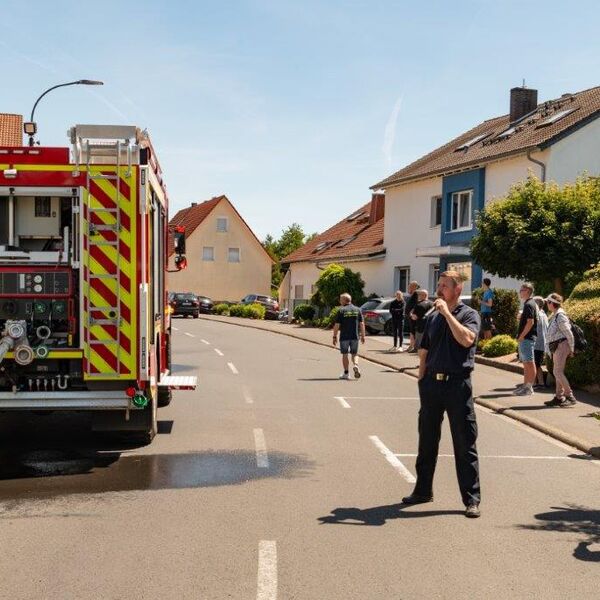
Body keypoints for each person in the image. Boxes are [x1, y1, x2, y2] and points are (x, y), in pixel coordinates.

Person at [402, 271, 482, 518]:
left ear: (457, 289)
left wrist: (447, 313)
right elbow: (424, 348)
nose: (439, 290)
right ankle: (423, 490)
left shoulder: (469, 315)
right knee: (426, 439)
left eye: (444, 286)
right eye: (438, 285)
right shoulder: (434, 316)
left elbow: (467, 340)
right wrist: (421, 377)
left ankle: (471, 499)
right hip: (431, 386)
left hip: (457, 385)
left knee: (464, 442)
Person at [544, 293, 576, 408]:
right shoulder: (556, 315)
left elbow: (569, 334)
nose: (547, 304)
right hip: (557, 347)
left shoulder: (560, 315)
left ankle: (569, 396)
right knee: (558, 372)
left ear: (552, 303)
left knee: (557, 372)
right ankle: (559, 397)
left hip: (562, 346)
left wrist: (571, 349)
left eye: (547, 302)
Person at [332, 293, 366, 380]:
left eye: (340, 299)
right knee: (354, 354)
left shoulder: (341, 310)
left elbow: (337, 325)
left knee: (345, 354)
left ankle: (346, 373)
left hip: (344, 337)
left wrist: (334, 336)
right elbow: (362, 324)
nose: (340, 301)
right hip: (355, 336)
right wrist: (363, 335)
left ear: (344, 300)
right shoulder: (358, 310)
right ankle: (356, 365)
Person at [513, 282, 538, 396]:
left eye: (521, 290)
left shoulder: (529, 304)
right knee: (526, 363)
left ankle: (529, 388)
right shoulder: (529, 303)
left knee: (529, 362)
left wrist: (522, 336)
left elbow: (530, 322)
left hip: (527, 338)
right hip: (526, 338)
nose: (519, 292)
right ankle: (525, 386)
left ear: (527, 291)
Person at [532, 296, 549, 389]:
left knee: (534, 364)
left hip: (536, 344)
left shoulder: (537, 315)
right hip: (542, 344)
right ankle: (540, 383)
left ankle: (535, 383)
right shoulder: (543, 314)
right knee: (537, 364)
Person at [405, 281, 420, 353]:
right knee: (411, 331)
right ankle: (411, 345)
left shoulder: (416, 293)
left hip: (412, 316)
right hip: (409, 315)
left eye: (410, 286)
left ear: (414, 286)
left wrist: (412, 312)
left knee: (412, 331)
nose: (409, 287)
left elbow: (416, 304)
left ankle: (413, 346)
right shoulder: (412, 294)